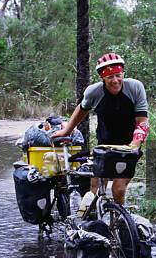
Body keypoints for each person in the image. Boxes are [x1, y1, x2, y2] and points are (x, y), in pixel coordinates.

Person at [52, 53, 150, 205]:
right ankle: (94, 220)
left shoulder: (135, 88)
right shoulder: (94, 92)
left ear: (123, 73)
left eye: (118, 75)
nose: (115, 80)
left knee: (118, 188)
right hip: (104, 143)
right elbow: (82, 109)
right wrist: (67, 130)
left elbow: (142, 122)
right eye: (110, 77)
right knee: (96, 189)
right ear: (102, 78)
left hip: (130, 143)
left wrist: (134, 145)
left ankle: (118, 222)